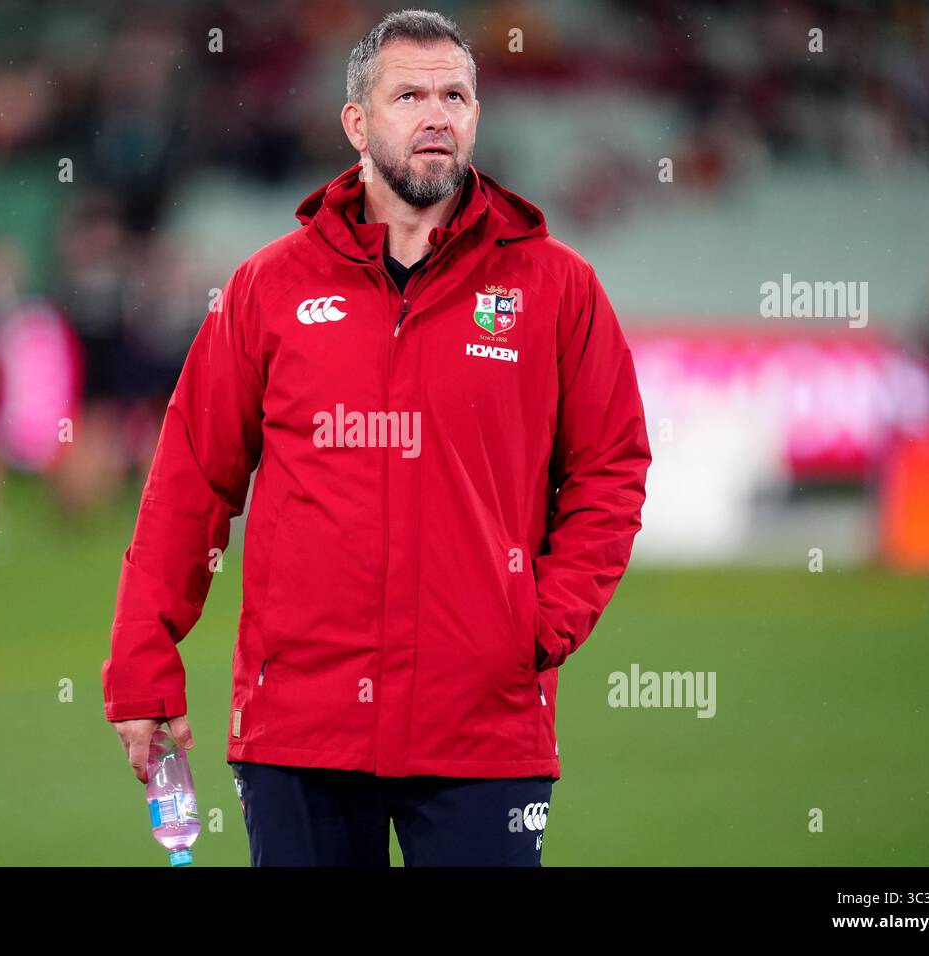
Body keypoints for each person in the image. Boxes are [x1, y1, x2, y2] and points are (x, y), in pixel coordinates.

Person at [102, 9, 651, 866]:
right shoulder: (266, 288)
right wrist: (143, 663)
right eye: (409, 95)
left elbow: (610, 468)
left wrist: (539, 626)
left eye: (455, 94)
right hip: (300, 729)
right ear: (357, 123)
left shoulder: (556, 287)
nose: (437, 113)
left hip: (482, 728)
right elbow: (191, 482)